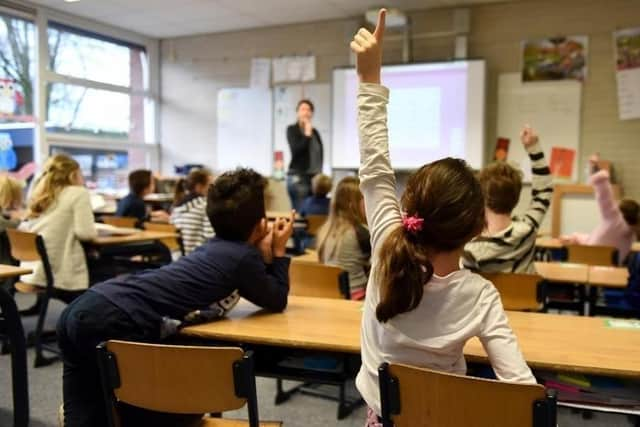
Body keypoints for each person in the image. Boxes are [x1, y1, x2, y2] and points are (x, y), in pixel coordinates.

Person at [348, 11, 535, 425]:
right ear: (476, 227)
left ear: (408, 207)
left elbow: (374, 167)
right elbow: (521, 389)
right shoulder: (481, 295)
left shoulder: (384, 251)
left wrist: (369, 78)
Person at [57, 168, 295, 427]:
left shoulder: (210, 247)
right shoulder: (243, 258)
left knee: (86, 413)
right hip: (117, 318)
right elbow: (277, 299)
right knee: (173, 410)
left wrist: (262, 254)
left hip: (89, 304)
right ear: (261, 224)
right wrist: (279, 251)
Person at [462, 126, 553, 273]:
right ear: (516, 198)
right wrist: (533, 147)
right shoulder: (527, 230)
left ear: (482, 198)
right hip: (524, 296)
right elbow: (544, 191)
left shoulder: (470, 251)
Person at [18, 155, 97, 297]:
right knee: (107, 268)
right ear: (73, 175)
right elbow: (86, 233)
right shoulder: (78, 193)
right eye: (81, 174)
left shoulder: (39, 192)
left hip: (36, 268)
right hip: (61, 271)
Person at [561, 154, 638, 264]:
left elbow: (604, 194)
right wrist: (575, 237)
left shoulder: (615, 221)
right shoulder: (631, 236)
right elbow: (596, 242)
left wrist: (595, 169)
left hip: (592, 268)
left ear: (621, 213)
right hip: (610, 274)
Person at [317, 176, 370, 300]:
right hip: (357, 297)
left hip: (330, 295)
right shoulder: (360, 232)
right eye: (365, 199)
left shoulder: (325, 230)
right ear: (355, 204)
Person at [286, 99, 324, 211]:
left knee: (312, 213)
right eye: (303, 109)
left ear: (312, 113)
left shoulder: (315, 132)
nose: (306, 112)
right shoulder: (292, 130)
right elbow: (296, 150)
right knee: (301, 214)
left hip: (314, 179)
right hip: (298, 178)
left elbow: (319, 154)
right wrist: (307, 134)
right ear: (297, 112)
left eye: (309, 110)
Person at [170, 168, 215, 254]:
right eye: (210, 185)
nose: (212, 189)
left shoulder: (176, 206)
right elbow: (210, 238)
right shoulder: (205, 206)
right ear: (199, 187)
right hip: (198, 259)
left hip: (179, 259)